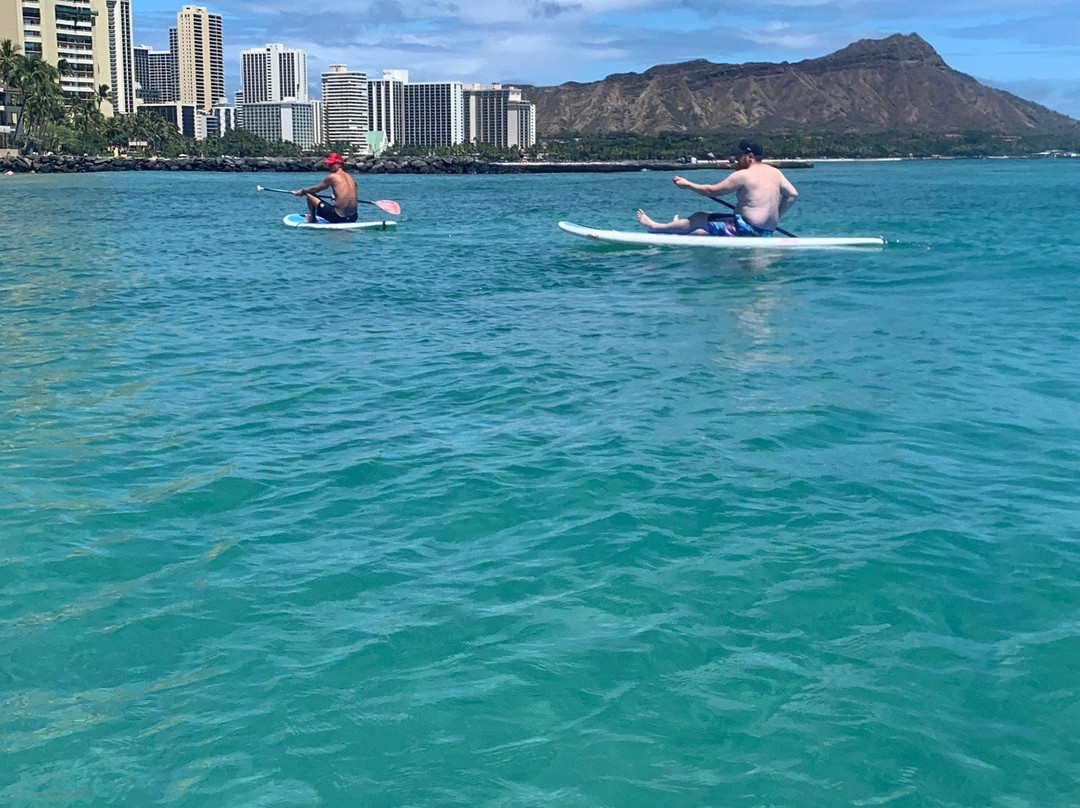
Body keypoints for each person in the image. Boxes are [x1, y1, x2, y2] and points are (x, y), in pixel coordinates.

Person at [636, 139, 798, 237]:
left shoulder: (744, 175)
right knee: (702, 229)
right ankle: (677, 228)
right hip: (766, 232)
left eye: (739, 156)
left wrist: (688, 185)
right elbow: (792, 195)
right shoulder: (775, 173)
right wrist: (776, 216)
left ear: (750, 157)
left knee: (699, 217)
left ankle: (655, 227)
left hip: (744, 231)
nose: (736, 159)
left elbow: (711, 191)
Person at [292, 152, 359, 223]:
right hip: (353, 217)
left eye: (331, 164)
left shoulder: (332, 176)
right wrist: (337, 196)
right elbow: (352, 187)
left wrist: (302, 192)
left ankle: (313, 219)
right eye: (328, 164)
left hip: (338, 217)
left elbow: (317, 189)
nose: (328, 166)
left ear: (339, 164)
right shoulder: (349, 176)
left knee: (309, 194)